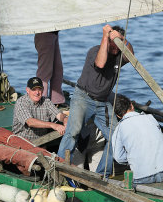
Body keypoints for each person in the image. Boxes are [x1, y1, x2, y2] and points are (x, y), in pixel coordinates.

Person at [57, 24, 134, 177]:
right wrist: (106, 36)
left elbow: (132, 56)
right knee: (73, 132)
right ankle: (59, 167)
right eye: (113, 43)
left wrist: (121, 39)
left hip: (103, 102)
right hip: (83, 97)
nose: (115, 48)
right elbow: (100, 63)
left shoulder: (119, 54)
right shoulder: (94, 51)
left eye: (117, 44)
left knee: (117, 137)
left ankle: (101, 174)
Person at [111, 94, 163, 184]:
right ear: (131, 105)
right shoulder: (150, 118)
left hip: (142, 176)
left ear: (118, 116)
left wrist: (133, 158)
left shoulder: (119, 128)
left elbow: (118, 158)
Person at [12, 77, 68, 141]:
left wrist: (65, 118)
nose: (37, 93)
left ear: (43, 90)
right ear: (27, 90)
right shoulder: (21, 102)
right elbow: (30, 122)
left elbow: (58, 114)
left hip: (41, 141)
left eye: (39, 89)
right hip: (22, 142)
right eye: (34, 90)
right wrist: (54, 125)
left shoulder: (46, 101)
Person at [34, 31, 65, 106]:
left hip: (53, 32)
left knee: (57, 69)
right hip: (44, 32)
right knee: (44, 72)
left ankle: (57, 100)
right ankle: (40, 102)